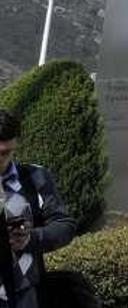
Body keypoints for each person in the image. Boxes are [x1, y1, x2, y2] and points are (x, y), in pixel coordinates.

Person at [0, 108, 77, 308]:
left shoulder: (36, 177)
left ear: (16, 142)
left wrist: (32, 238)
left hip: (27, 296)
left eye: (5, 153)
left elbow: (64, 225)